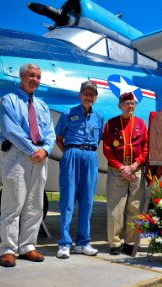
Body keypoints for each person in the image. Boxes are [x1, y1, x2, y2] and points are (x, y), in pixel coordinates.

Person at [0, 63, 55, 267]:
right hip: (17, 156)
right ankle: (8, 249)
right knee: (13, 204)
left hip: (40, 157)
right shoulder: (9, 100)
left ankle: (28, 246)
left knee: (35, 204)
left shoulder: (42, 105)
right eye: (31, 75)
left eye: (38, 76)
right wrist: (33, 150)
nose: (35, 80)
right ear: (21, 77)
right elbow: (11, 130)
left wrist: (45, 150)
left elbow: (50, 133)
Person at [54, 80, 105, 259]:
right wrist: (69, 153)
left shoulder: (99, 117)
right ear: (79, 95)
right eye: (85, 93)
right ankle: (65, 243)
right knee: (67, 201)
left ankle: (83, 243)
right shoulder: (67, 113)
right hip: (72, 154)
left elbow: (98, 139)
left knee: (87, 202)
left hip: (90, 156)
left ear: (95, 98)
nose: (88, 96)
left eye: (92, 94)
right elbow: (58, 138)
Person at [103, 92, 148, 255]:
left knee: (135, 208)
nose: (130, 106)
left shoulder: (141, 124)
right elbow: (107, 149)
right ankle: (115, 244)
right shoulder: (111, 124)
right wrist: (122, 167)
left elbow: (145, 148)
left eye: (132, 103)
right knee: (115, 208)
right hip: (117, 171)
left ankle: (130, 242)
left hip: (136, 171)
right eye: (127, 103)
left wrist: (135, 165)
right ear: (120, 106)